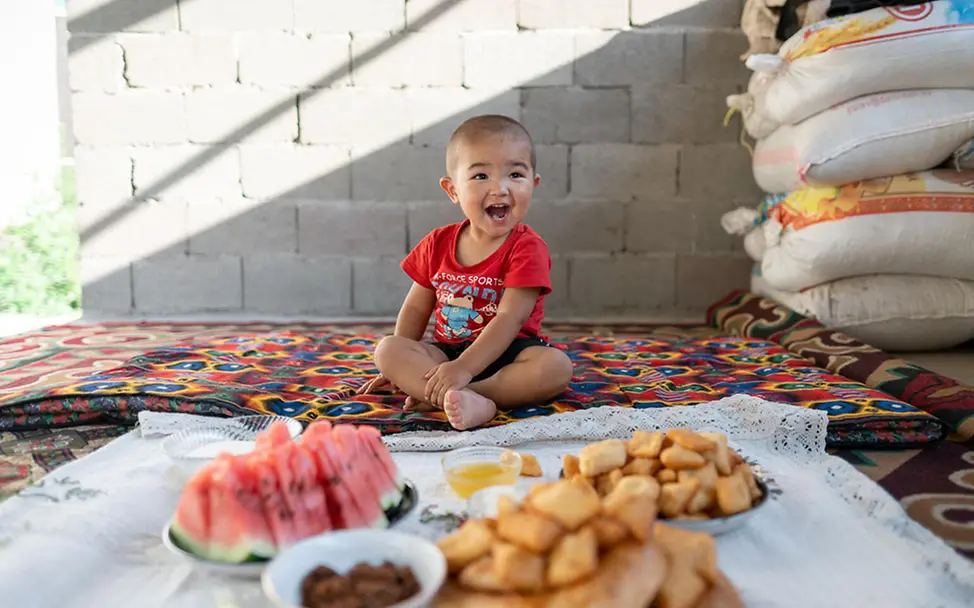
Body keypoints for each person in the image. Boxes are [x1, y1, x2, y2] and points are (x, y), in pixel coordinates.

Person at [357, 114, 574, 430]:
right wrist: (398, 368)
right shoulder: (438, 243)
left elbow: (509, 318)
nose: (499, 188)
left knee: (556, 367)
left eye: (515, 174)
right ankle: (449, 394)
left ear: (533, 184)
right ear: (453, 190)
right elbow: (417, 307)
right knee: (388, 349)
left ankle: (472, 396)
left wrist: (465, 370)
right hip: (446, 354)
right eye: (481, 176)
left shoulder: (527, 247)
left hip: (510, 353)